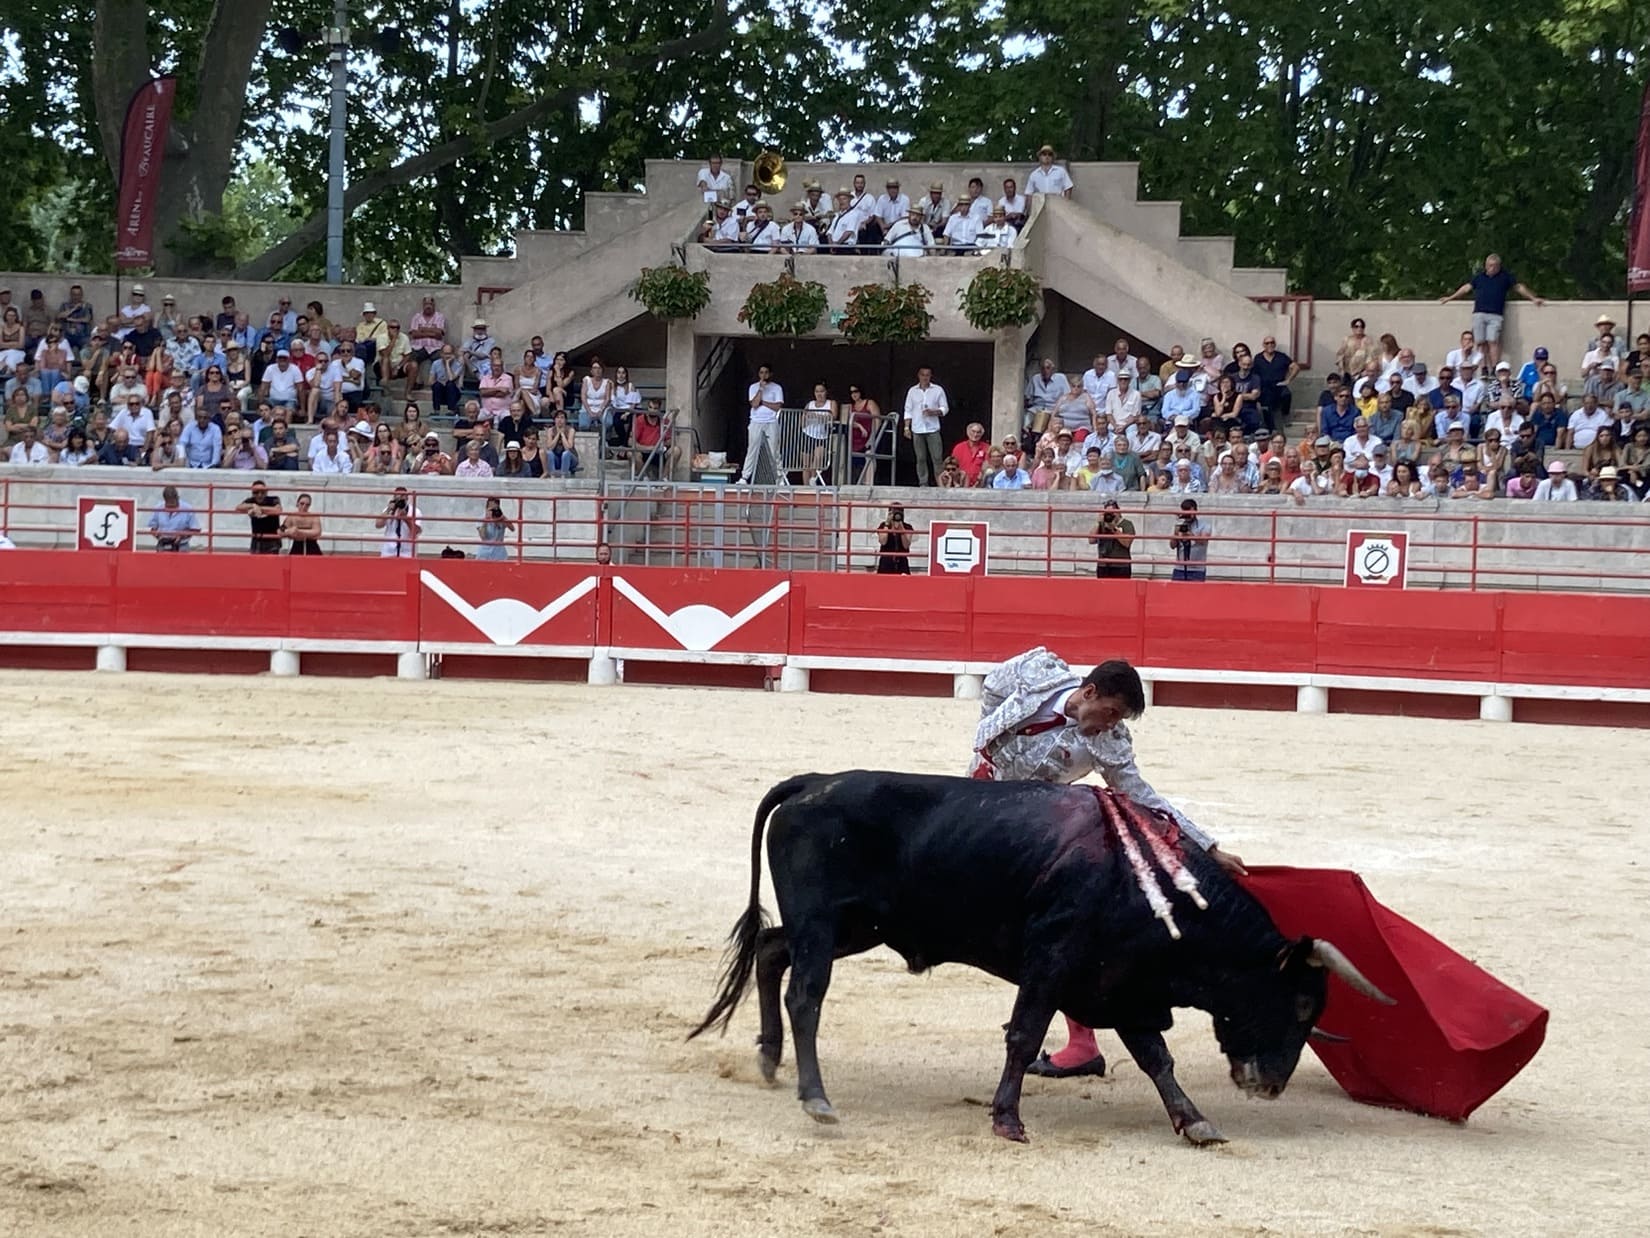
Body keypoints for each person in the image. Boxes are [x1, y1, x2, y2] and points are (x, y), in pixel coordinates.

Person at [966, 649, 1244, 1077]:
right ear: (1089, 691)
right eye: (1110, 713)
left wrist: (1207, 847)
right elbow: (992, 687)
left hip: (1029, 830)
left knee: (1045, 929)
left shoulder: (1107, 743)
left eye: (1118, 720)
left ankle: (1077, 1039)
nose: (1109, 725)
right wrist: (989, 754)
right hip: (980, 800)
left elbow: (1145, 798)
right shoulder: (1037, 670)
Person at [1438, 253, 1544, 368]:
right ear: (1486, 265)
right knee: (1480, 342)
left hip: (1495, 314)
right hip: (1479, 313)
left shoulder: (1505, 277)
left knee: (1492, 340)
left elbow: (1518, 287)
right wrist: (1450, 298)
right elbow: (1466, 288)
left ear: (1499, 266)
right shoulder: (1479, 277)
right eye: (1489, 265)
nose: (1492, 268)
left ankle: (1494, 368)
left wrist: (1533, 298)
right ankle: (1483, 367)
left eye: (1494, 266)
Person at [737, 363, 784, 484]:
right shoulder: (753, 387)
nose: (764, 375)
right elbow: (754, 404)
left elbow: (777, 406)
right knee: (752, 448)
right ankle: (745, 477)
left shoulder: (777, 388)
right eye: (761, 372)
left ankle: (778, 477)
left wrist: (764, 402)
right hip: (756, 421)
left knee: (774, 450)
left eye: (766, 372)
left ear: (770, 374)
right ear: (758, 374)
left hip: (771, 422)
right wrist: (761, 389)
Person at [902, 366, 948, 485]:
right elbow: (908, 410)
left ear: (930, 376)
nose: (925, 377)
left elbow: (945, 408)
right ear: (919, 376)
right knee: (920, 458)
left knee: (937, 457)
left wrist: (933, 412)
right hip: (917, 429)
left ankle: (940, 483)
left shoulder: (938, 390)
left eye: (927, 375)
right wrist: (906, 427)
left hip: (933, 428)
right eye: (923, 375)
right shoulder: (912, 391)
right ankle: (923, 482)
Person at [234, 481, 284, 554]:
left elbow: (278, 510)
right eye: (256, 492)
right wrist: (253, 506)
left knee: (272, 563)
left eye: (262, 492)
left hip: (272, 538)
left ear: (266, 492)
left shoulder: (273, 499)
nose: (259, 495)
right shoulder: (251, 501)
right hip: (257, 539)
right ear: (252, 492)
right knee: (255, 564)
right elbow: (238, 508)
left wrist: (259, 508)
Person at [1088, 499, 1135, 578]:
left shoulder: (1127, 524)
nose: (1110, 515)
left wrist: (1114, 529)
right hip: (1103, 565)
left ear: (1118, 512)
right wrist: (1098, 523)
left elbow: (1127, 543)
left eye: (1112, 512)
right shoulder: (1102, 524)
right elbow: (1091, 540)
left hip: (1120, 566)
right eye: (1107, 513)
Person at [1169, 498, 1211, 581]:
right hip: (1179, 568)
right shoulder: (1180, 525)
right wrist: (1175, 534)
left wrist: (1190, 534)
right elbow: (1172, 546)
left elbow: (1203, 540)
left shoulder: (1204, 525)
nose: (1189, 515)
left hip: (1197, 569)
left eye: (1191, 512)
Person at [147, 485, 200, 552]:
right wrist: (159, 536)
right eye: (169, 506)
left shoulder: (188, 509)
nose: (171, 508)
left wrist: (182, 535)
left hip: (181, 545)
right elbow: (152, 528)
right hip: (163, 543)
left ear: (177, 498)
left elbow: (196, 529)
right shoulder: (158, 508)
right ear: (165, 500)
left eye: (173, 505)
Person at [375, 486, 423, 557]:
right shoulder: (388, 510)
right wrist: (388, 510)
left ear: (407, 497)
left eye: (403, 496)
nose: (400, 498)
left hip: (407, 553)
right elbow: (378, 525)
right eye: (397, 496)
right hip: (388, 551)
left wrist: (406, 518)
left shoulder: (415, 511)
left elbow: (415, 532)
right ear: (394, 497)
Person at [874, 502, 912, 574]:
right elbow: (883, 541)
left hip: (902, 560)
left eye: (899, 512)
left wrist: (901, 528)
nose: (896, 515)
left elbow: (906, 545)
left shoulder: (907, 527)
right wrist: (887, 524)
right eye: (894, 512)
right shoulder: (883, 525)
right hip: (886, 560)